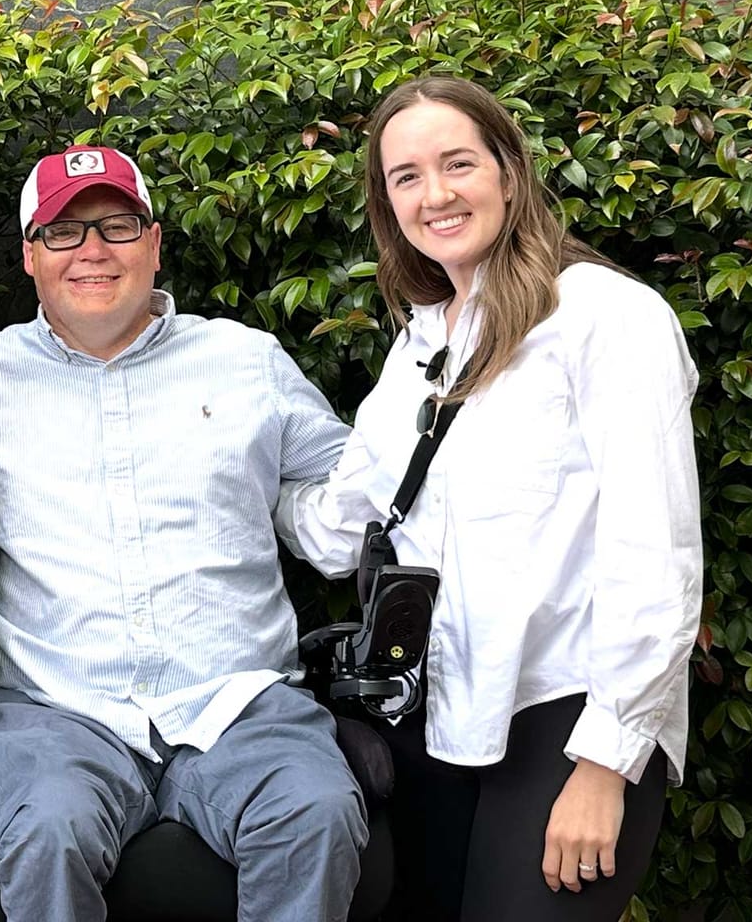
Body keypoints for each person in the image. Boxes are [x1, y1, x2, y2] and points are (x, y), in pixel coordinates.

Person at [279, 76, 702, 921]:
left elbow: (655, 557)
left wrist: (604, 766)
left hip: (565, 715)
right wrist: (232, 474)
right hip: (436, 716)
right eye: (405, 176)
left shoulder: (606, 318)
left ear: (509, 171)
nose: (434, 194)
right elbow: (341, 525)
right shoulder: (424, 341)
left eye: (457, 164)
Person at [0, 145, 367, 922]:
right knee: (47, 830)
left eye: (117, 225)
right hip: (54, 708)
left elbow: (352, 489)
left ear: (156, 241)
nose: (94, 251)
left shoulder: (246, 361)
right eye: (65, 233)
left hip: (239, 703)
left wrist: (288, 507)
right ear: (32, 257)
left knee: (317, 811)